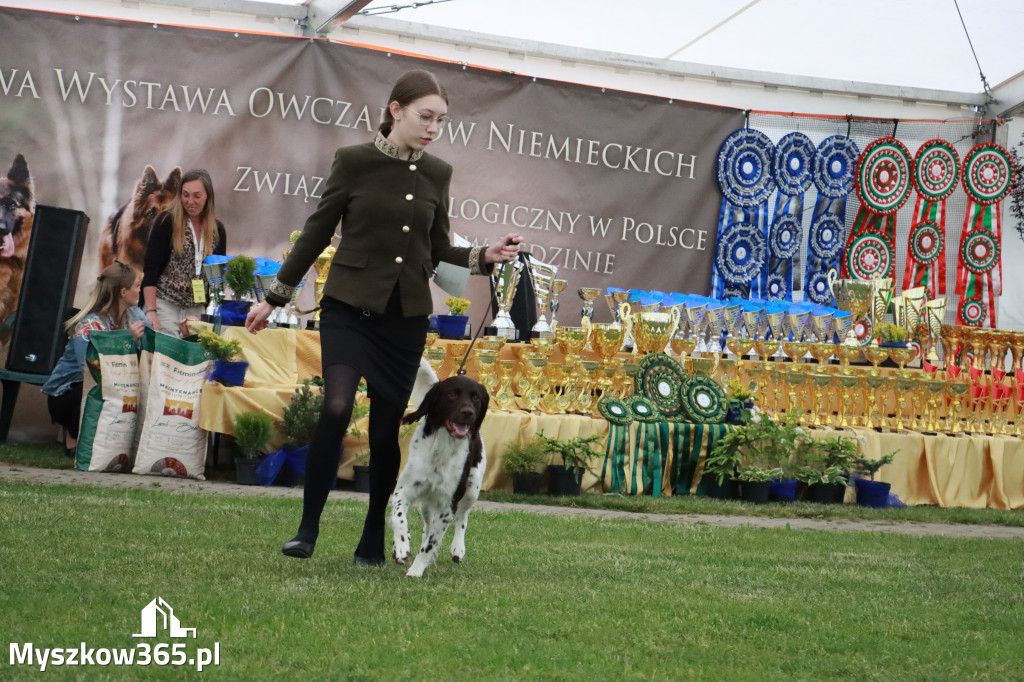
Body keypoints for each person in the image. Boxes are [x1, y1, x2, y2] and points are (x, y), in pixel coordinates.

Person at [245, 69, 521, 566]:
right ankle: (308, 528)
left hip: (405, 319)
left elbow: (438, 249)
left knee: (384, 428)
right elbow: (315, 232)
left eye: (441, 120)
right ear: (395, 110)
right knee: (335, 406)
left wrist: (485, 256)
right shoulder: (352, 162)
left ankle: (373, 538)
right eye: (425, 116)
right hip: (349, 308)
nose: (434, 127)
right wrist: (276, 297)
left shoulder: (438, 173)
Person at [41, 261, 149, 456]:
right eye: (136, 286)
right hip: (69, 392)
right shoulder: (90, 324)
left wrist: (185, 332)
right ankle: (73, 437)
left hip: (114, 385)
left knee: (126, 393)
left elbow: (154, 343)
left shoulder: (135, 314)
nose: (139, 291)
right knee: (100, 393)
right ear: (123, 292)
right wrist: (126, 340)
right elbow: (91, 366)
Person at [142, 168, 226, 338]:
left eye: (197, 196)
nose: (190, 201)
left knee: (195, 361)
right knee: (167, 358)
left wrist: (213, 314)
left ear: (207, 197)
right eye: (185, 195)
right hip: (165, 304)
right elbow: (150, 269)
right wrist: (151, 311)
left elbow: (218, 278)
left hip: (197, 308)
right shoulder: (166, 221)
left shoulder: (217, 230)